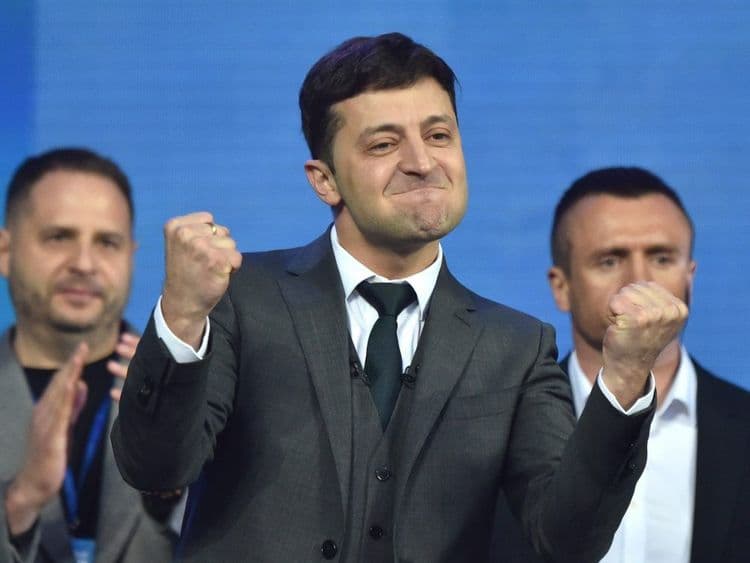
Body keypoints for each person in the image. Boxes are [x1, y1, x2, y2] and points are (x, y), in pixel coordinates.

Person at [112, 34, 687, 562]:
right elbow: (156, 468)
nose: (422, 162)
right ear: (324, 179)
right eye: (384, 144)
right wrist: (182, 313)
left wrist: (625, 379)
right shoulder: (242, 299)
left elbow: (568, 540)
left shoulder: (516, 346)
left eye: (439, 135)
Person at [493, 166, 750, 562]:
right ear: (562, 286)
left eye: (661, 258)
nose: (639, 281)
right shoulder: (497, 433)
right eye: (609, 261)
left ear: (690, 278)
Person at [0, 148, 179, 563]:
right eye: (59, 237)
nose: (84, 263)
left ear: (130, 257)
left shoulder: (193, 389)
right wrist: (22, 500)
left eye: (107, 243)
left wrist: (178, 460)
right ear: (5, 252)